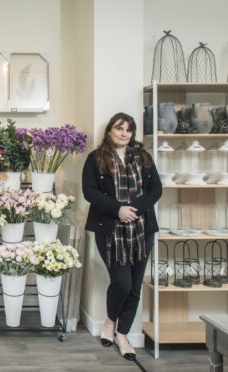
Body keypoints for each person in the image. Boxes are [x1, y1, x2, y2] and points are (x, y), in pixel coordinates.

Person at [82, 112, 162, 360]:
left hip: (142, 230)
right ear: (109, 131)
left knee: (135, 286)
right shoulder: (96, 159)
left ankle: (122, 333)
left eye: (129, 129)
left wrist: (134, 210)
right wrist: (118, 209)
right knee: (122, 283)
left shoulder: (144, 158)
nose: (124, 133)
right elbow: (90, 192)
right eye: (119, 128)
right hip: (110, 231)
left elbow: (155, 189)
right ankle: (109, 321)